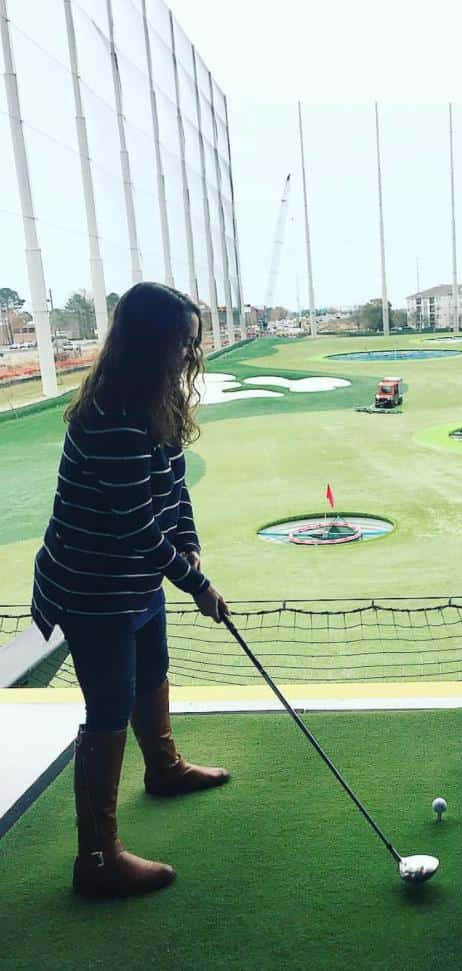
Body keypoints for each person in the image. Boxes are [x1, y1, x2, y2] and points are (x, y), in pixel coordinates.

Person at [31, 282, 230, 899]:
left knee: (154, 669)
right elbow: (137, 524)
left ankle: (164, 768)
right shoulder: (114, 413)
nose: (190, 356)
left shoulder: (153, 400)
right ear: (150, 345)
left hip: (136, 580)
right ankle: (96, 857)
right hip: (94, 587)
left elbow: (175, 486)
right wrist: (196, 582)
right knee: (110, 708)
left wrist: (190, 544)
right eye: (182, 344)